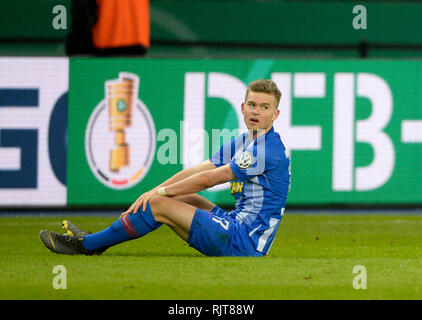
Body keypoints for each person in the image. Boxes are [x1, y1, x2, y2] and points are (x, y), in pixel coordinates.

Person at [40, 79, 291, 257]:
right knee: (177, 195)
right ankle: (96, 238)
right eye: (252, 105)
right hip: (235, 223)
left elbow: (210, 179)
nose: (256, 111)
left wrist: (158, 196)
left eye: (264, 107)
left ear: (275, 115)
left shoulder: (266, 150)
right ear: (242, 107)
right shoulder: (244, 141)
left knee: (160, 204)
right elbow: (198, 170)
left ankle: (87, 245)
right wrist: (156, 189)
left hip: (246, 241)